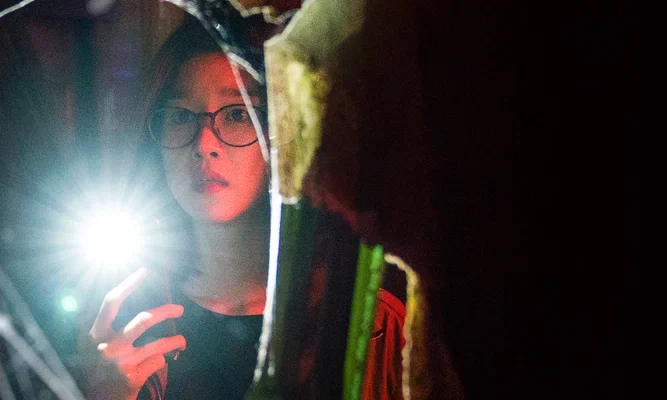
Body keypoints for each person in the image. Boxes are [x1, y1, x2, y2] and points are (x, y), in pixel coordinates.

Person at [85, 17, 405, 400]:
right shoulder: (124, 323)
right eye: (181, 115)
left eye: (237, 114)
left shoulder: (365, 324)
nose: (205, 144)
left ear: (280, 131)